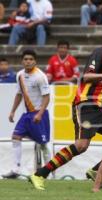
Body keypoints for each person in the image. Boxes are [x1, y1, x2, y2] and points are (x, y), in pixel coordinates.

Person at [29, 20, 102, 190]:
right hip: (86, 106)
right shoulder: (100, 54)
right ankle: (39, 174)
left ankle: (96, 170)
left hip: (101, 108)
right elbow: (86, 77)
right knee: (81, 146)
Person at [2, 49, 51, 179]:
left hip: (39, 114)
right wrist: (12, 111)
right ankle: (16, 169)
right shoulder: (20, 75)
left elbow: (47, 97)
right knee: (15, 137)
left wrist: (40, 114)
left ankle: (49, 171)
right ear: (22, 61)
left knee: (43, 144)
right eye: (25, 59)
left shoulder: (40, 76)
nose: (28, 62)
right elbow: (19, 94)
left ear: (35, 61)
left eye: (30, 59)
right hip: (26, 115)